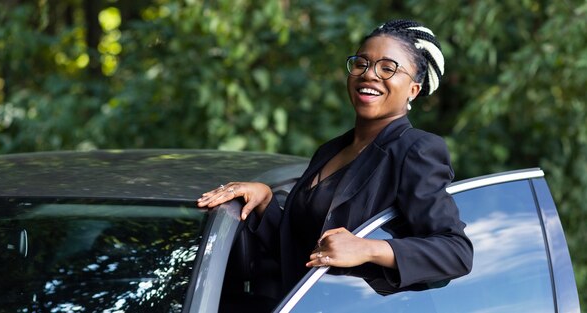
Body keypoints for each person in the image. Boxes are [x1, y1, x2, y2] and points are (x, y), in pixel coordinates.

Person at [197, 19, 473, 297]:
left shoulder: (415, 149)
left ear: (413, 89)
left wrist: (367, 249)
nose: (369, 74)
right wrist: (265, 200)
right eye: (361, 63)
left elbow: (456, 252)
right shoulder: (330, 150)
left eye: (388, 68)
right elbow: (300, 252)